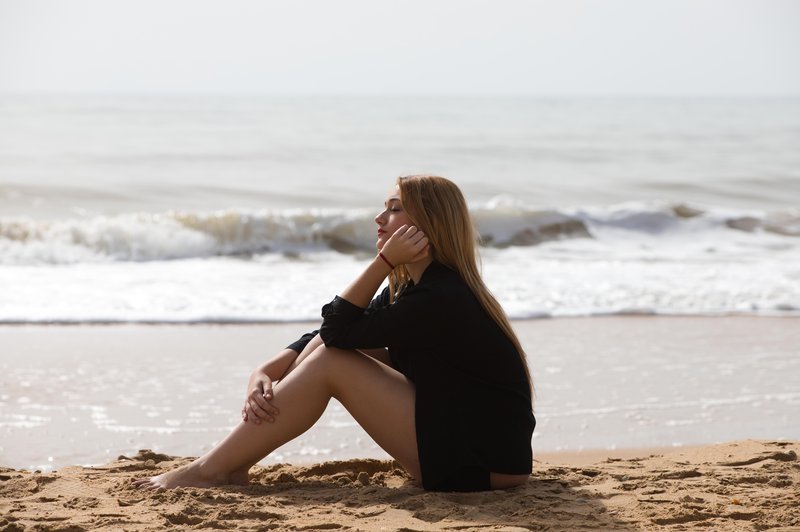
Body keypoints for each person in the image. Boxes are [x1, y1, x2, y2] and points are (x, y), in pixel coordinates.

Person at [134, 175, 535, 492]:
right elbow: (331, 333)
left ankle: (213, 469)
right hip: (472, 448)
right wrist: (265, 369)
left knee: (333, 361)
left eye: (394, 210)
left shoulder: (440, 297)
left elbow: (337, 331)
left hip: (483, 465)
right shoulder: (416, 288)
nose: (380, 219)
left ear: (427, 225)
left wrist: (381, 262)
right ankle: (227, 464)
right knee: (335, 350)